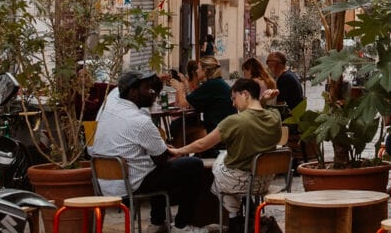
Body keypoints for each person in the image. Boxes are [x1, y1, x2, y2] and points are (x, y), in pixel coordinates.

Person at [90, 70, 212, 233]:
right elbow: (162, 159)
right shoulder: (139, 121)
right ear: (133, 92)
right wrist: (179, 151)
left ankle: (157, 222)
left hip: (105, 183)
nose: (152, 93)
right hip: (130, 184)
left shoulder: (111, 105)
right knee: (192, 165)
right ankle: (183, 225)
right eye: (147, 89)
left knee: (152, 166)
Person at [170, 78, 283, 233]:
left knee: (219, 167)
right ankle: (240, 217)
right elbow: (260, 113)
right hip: (264, 181)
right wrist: (263, 101)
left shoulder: (234, 121)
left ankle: (233, 217)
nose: (233, 104)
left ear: (245, 94)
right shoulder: (275, 116)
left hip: (241, 181)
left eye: (234, 98)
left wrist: (178, 151)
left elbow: (202, 144)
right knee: (225, 165)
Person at [175, 56, 234, 135]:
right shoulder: (217, 82)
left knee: (176, 126)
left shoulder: (211, 85)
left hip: (219, 133)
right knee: (184, 126)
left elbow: (183, 104)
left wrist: (179, 87)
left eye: (198, 68)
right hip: (226, 129)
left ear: (205, 71)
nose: (196, 71)